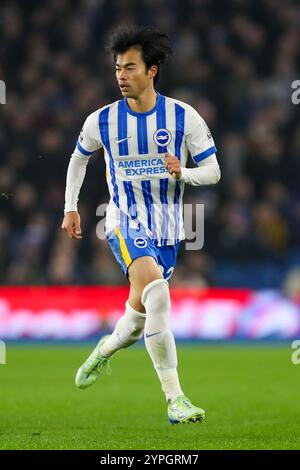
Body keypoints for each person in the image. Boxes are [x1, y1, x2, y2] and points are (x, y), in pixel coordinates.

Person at [61, 26, 220, 425]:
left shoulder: (184, 117)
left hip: (167, 229)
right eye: (117, 68)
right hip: (122, 222)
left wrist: (184, 173)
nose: (120, 75)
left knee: (136, 322)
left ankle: (105, 350)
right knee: (159, 292)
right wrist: (71, 207)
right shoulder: (103, 120)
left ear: (152, 71)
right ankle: (175, 399)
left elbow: (214, 172)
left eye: (129, 67)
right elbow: (78, 159)